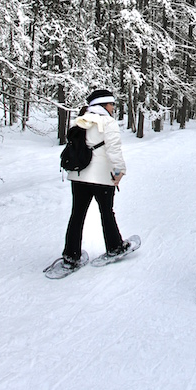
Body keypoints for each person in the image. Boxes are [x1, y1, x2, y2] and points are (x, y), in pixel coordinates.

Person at [61, 89, 130, 269]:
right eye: (112, 104)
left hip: (78, 176)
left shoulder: (80, 120)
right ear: (104, 105)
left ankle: (71, 255)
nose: (113, 108)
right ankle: (115, 246)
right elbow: (113, 150)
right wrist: (119, 171)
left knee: (77, 214)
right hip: (101, 178)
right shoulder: (108, 122)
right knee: (107, 212)